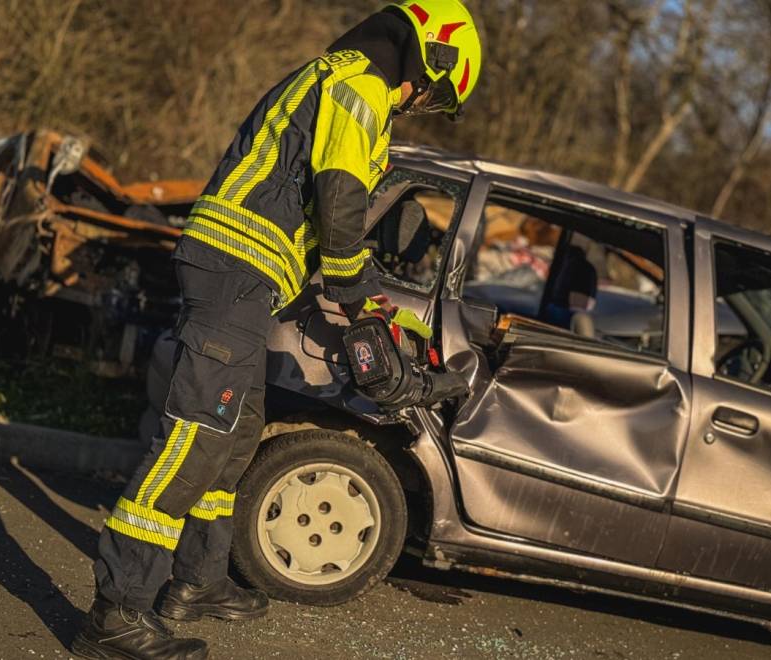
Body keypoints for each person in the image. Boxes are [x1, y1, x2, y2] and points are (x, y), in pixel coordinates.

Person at [71, 2, 482, 658]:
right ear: (429, 58)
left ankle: (197, 581)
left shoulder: (340, 80)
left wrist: (368, 308)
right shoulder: (361, 86)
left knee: (232, 440)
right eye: (430, 94)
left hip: (251, 278)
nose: (416, 104)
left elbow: (323, 220)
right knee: (197, 440)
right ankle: (116, 610)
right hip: (237, 268)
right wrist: (353, 302)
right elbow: (341, 199)